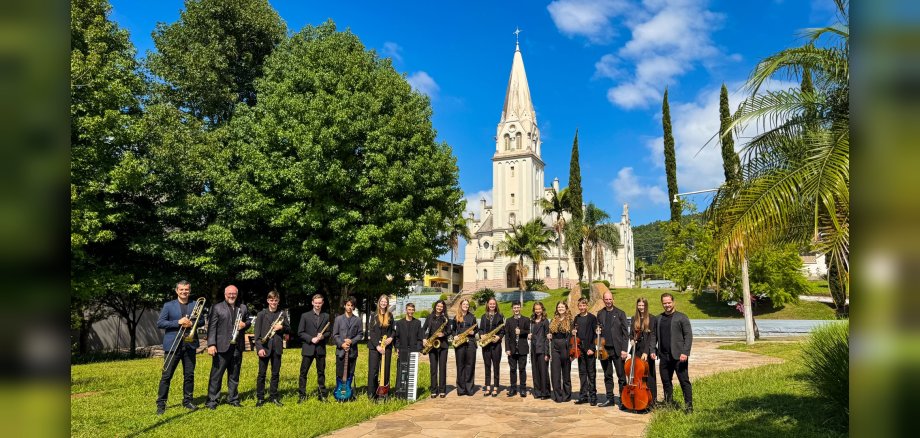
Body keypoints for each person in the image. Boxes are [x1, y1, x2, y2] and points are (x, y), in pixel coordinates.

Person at [155, 280, 202, 415]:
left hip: (189, 344)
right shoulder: (168, 306)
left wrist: (192, 323)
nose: (184, 292)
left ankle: (188, 401)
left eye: (186, 289)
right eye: (181, 290)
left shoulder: (195, 304)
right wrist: (178, 322)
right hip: (173, 345)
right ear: (177, 291)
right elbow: (161, 323)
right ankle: (161, 404)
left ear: (189, 290)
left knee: (189, 375)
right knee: (166, 376)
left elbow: (203, 320)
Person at [205, 285, 250, 410]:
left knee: (234, 375)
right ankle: (212, 400)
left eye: (234, 293)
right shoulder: (217, 307)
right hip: (221, 347)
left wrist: (244, 324)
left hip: (237, 347)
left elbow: (248, 321)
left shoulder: (243, 307)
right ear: (225, 294)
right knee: (216, 375)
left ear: (237, 294)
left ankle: (233, 399)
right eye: (229, 293)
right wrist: (211, 344)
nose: (231, 295)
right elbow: (212, 327)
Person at [657, 292, 693, 413]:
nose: (667, 305)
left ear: (673, 302)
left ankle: (689, 407)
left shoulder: (682, 317)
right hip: (664, 356)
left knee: (684, 381)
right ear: (662, 303)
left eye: (669, 302)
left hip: (679, 356)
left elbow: (688, 336)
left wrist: (685, 352)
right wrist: (653, 350)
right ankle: (669, 404)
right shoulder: (659, 318)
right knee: (666, 382)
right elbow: (654, 336)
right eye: (664, 303)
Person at [253, 291, 289, 407]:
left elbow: (289, 330)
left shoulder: (282, 314)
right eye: (271, 300)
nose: (274, 302)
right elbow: (257, 334)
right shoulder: (261, 315)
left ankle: (274, 397)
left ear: (278, 301)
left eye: (276, 300)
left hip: (277, 348)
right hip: (264, 348)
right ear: (268, 301)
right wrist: (259, 348)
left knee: (275, 374)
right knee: (262, 374)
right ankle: (260, 398)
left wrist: (281, 327)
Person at [596, 291, 629, 408]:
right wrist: (597, 332)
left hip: (618, 350)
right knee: (607, 375)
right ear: (603, 300)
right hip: (604, 350)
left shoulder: (620, 313)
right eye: (606, 299)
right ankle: (609, 399)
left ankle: (624, 400)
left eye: (610, 299)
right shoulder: (600, 313)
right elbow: (598, 330)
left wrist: (625, 349)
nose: (608, 301)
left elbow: (626, 334)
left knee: (621, 376)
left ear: (613, 300)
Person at [298, 293, 332, 402]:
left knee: (321, 372)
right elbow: (300, 332)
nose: (317, 305)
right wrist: (311, 339)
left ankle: (322, 394)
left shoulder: (326, 316)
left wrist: (322, 336)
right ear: (312, 303)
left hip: (320, 349)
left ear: (322, 303)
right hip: (308, 348)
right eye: (316, 303)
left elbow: (328, 333)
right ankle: (302, 395)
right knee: (303, 373)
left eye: (319, 303)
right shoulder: (305, 316)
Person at [629, 297, 658, 410]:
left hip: (647, 350)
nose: (641, 307)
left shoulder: (652, 318)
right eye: (639, 305)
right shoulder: (633, 318)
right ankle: (639, 399)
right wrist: (631, 339)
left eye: (643, 305)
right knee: (637, 376)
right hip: (636, 350)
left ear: (646, 306)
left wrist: (647, 351)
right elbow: (631, 334)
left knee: (649, 376)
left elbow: (651, 337)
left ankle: (652, 401)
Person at [333, 296, 363, 402]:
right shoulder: (338, 319)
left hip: (352, 351)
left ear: (354, 307)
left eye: (351, 305)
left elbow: (360, 335)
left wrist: (351, 341)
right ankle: (339, 393)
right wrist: (342, 344)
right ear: (345, 306)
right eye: (348, 305)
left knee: (350, 372)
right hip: (341, 351)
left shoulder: (358, 320)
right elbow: (335, 335)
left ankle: (349, 392)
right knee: (340, 373)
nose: (349, 307)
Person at [367, 294, 395, 400]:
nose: (384, 303)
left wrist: (391, 338)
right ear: (379, 302)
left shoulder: (390, 315)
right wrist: (377, 346)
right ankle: (372, 394)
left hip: (387, 347)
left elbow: (393, 330)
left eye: (385, 302)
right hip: (375, 347)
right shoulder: (373, 315)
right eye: (382, 301)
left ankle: (384, 393)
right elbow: (372, 332)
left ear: (387, 304)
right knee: (373, 371)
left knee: (385, 370)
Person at [393, 302, 424, 398]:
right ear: (406, 310)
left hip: (413, 350)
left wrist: (418, 350)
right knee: (401, 372)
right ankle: (399, 393)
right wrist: (397, 348)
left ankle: (410, 393)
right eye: (409, 309)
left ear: (414, 311)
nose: (411, 311)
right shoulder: (399, 323)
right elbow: (396, 338)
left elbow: (420, 338)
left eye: (412, 310)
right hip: (402, 350)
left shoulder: (418, 323)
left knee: (411, 372)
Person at [422, 299, 450, 398]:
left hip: (443, 346)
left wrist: (443, 334)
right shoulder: (429, 317)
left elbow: (449, 331)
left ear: (443, 308)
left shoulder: (445, 318)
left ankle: (442, 390)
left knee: (442, 368)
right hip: (432, 345)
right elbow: (423, 329)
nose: (439, 308)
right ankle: (434, 390)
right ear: (435, 306)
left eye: (441, 307)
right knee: (433, 369)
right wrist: (424, 339)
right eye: (438, 306)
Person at [573, 297, 598, 405]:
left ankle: (593, 397)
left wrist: (592, 348)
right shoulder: (576, 318)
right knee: (582, 373)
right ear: (578, 306)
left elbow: (596, 335)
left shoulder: (592, 318)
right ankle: (583, 396)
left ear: (587, 306)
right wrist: (573, 332)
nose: (582, 307)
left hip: (589, 350)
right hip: (580, 350)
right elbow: (575, 334)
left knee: (591, 374)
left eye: (584, 305)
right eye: (580, 306)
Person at [548, 301, 573, 403]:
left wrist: (572, 352)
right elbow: (550, 333)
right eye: (559, 307)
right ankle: (558, 396)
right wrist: (549, 335)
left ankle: (566, 395)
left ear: (566, 308)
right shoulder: (554, 320)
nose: (560, 308)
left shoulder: (570, 320)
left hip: (566, 348)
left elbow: (572, 337)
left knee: (566, 374)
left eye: (562, 307)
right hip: (555, 348)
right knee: (555, 373)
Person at [452, 299, 478, 396]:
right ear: (461, 305)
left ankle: (469, 388)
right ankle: (461, 389)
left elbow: (477, 329)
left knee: (470, 365)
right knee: (460, 366)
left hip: (470, 343)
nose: (466, 306)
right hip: (459, 343)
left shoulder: (472, 317)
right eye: (464, 304)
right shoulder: (456, 317)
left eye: (467, 304)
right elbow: (453, 330)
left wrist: (473, 332)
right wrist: (454, 335)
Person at [479, 297, 504, 397]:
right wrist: (482, 335)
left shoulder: (500, 316)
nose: (492, 305)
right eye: (490, 304)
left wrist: (499, 337)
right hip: (486, 345)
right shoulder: (483, 316)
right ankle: (488, 386)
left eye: (494, 304)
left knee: (496, 367)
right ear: (487, 305)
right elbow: (480, 329)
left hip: (496, 345)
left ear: (496, 305)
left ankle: (496, 387)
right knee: (487, 366)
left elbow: (503, 330)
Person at [504, 301, 529, 397]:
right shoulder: (509, 320)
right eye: (514, 308)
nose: (516, 309)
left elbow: (528, 331)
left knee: (522, 369)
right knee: (512, 369)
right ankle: (513, 389)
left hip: (522, 348)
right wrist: (507, 348)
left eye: (518, 307)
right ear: (512, 309)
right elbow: (507, 336)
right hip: (512, 349)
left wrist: (521, 332)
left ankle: (523, 389)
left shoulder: (526, 319)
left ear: (520, 308)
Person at [529, 301, 550, 400]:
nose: (538, 311)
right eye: (536, 309)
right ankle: (537, 392)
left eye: (539, 309)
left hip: (542, 349)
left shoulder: (545, 321)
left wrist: (547, 353)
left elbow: (547, 338)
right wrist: (529, 336)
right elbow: (531, 334)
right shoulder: (532, 320)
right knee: (535, 371)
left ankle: (545, 392)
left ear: (542, 309)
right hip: (533, 349)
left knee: (543, 371)